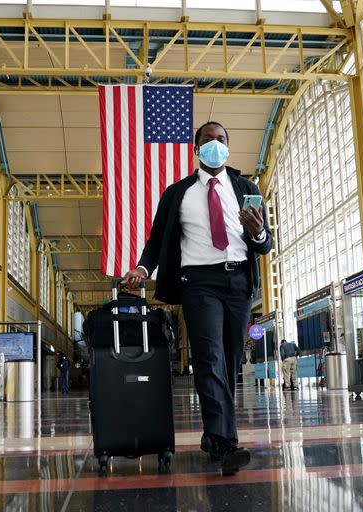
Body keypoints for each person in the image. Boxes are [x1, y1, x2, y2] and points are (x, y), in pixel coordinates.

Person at [121, 121, 273, 476]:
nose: (215, 145)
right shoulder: (178, 194)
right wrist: (143, 269)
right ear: (196, 149)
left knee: (231, 361)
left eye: (221, 140)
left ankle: (214, 434)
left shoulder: (246, 188)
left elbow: (265, 246)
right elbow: (157, 241)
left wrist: (259, 230)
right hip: (198, 282)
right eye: (208, 140)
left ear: (229, 148)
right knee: (209, 357)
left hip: (238, 282)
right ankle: (224, 443)